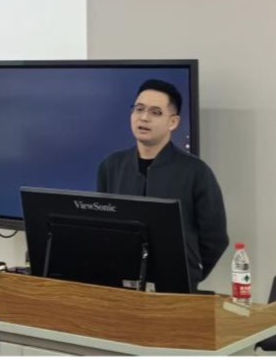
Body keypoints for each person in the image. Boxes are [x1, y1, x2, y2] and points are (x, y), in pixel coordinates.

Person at [96, 78, 228, 289]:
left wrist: (189, 272)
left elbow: (215, 238)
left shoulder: (195, 171)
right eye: (139, 109)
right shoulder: (111, 166)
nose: (144, 117)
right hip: (120, 286)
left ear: (173, 122)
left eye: (155, 112)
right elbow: (101, 226)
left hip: (174, 288)